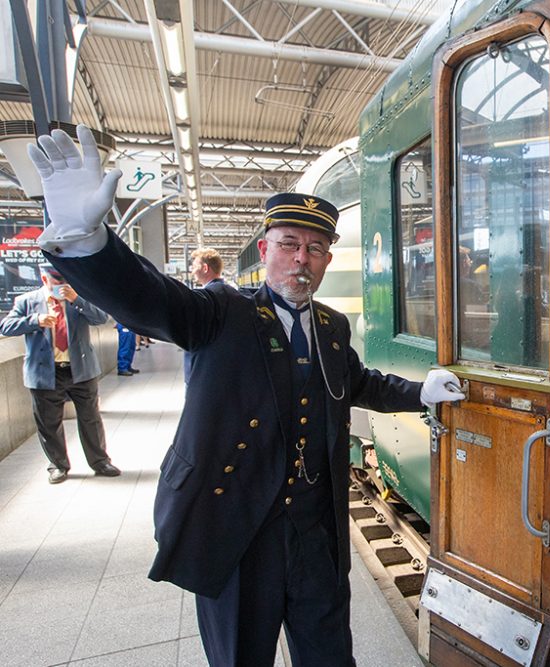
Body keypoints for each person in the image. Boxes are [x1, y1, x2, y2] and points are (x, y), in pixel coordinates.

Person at [28, 124, 465, 665]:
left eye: (314, 248)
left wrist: (421, 390)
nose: (300, 259)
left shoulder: (331, 326)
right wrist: (88, 246)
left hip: (316, 533)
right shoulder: (222, 312)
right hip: (236, 528)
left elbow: (356, 383)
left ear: (327, 259)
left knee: (329, 655)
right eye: (288, 245)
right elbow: (152, 301)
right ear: (265, 250)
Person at [0, 264, 121, 483]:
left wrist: (77, 299)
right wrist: (34, 321)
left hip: (81, 370)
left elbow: (101, 318)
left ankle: (100, 461)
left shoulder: (78, 298)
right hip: (45, 372)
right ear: (45, 280)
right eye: (57, 283)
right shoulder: (27, 301)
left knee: (90, 417)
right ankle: (58, 464)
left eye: (65, 282)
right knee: (48, 422)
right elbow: (6, 327)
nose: (62, 287)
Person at [185, 247, 233, 383]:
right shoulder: (232, 295)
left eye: (194, 266)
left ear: (205, 268)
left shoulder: (203, 300)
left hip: (204, 372)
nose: (192, 271)